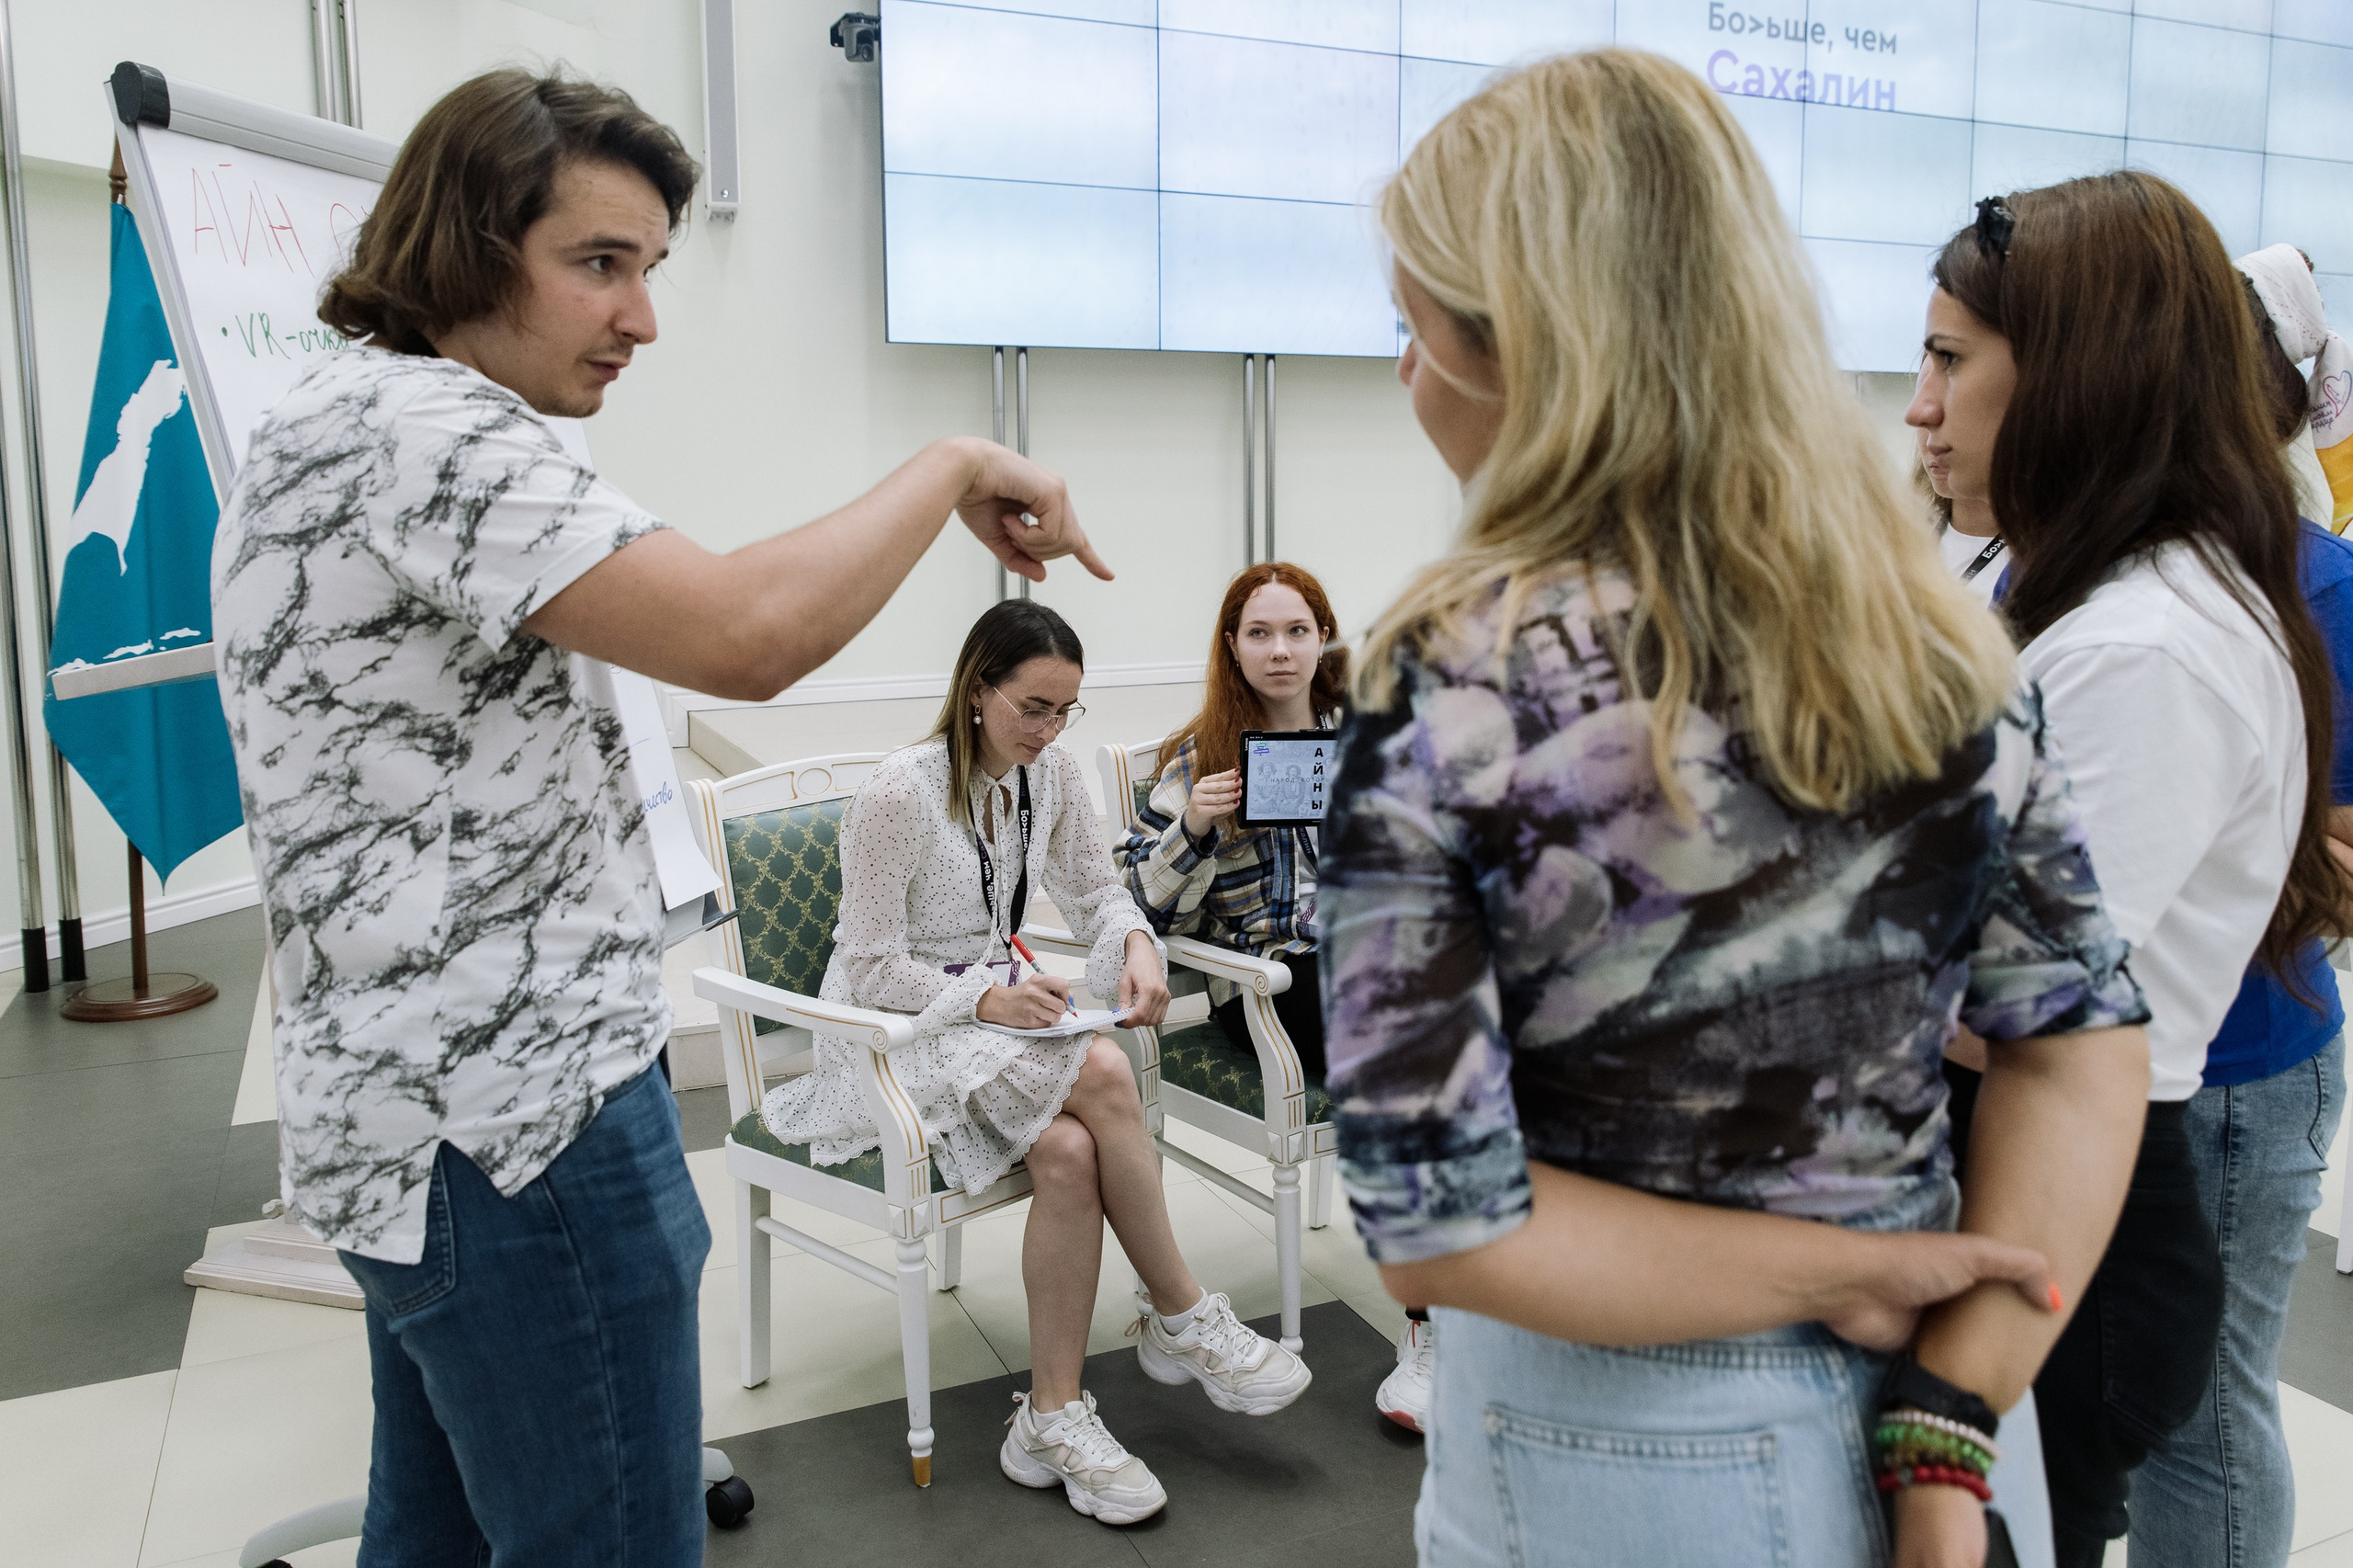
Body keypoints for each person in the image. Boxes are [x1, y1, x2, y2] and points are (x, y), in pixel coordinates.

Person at [210, 72, 1110, 1565]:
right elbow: (751, 634)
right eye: (599, 264)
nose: (640, 319)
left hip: (403, 1124)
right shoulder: (430, 431)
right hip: (524, 1129)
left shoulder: (329, 412)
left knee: (432, 1537)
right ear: (464, 245)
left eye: (651, 271)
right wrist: (953, 459)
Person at [1321, 51, 2155, 1568]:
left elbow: (1432, 1223)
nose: (1405, 375)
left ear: (1532, 354)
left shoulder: (1453, 682)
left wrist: (1826, 1273)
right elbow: (2086, 1044)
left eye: (1415, 329)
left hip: (1617, 1447)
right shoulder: (1943, 652)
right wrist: (1944, 1419)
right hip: (1942, 1426)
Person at [1905, 173, 2350, 1568]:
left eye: (1948, 360)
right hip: (2046, 1179)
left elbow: (1995, 997)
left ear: (2074, 376)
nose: (1919, 405)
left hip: (2069, 1195)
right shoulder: (2087, 594)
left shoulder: (2140, 647)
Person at [761, 598, 1311, 1527]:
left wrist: (1135, 942)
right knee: (1101, 1070)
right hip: (891, 1033)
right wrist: (984, 996)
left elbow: (1098, 894)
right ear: (978, 690)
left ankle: (1049, 1417)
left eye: (1066, 710)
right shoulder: (900, 791)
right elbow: (863, 965)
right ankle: (1181, 1311)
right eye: (1032, 707)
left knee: (1070, 1154)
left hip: (987, 1022)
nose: (1049, 729)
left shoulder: (1047, 774)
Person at [2110, 252, 2353, 1568]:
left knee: (2202, 1412)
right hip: (2113, 1063)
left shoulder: (2321, 583)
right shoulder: (2105, 560)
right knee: (2138, 1404)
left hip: (2242, 1065)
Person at [1112, 562, 1446, 1429]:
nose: (1280, 650)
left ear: (1323, 640)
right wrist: (1194, 829)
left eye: (1298, 631)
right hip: (1271, 981)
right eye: (1259, 633)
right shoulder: (1197, 758)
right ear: (1232, 647)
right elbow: (1133, 905)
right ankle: (1432, 1335)